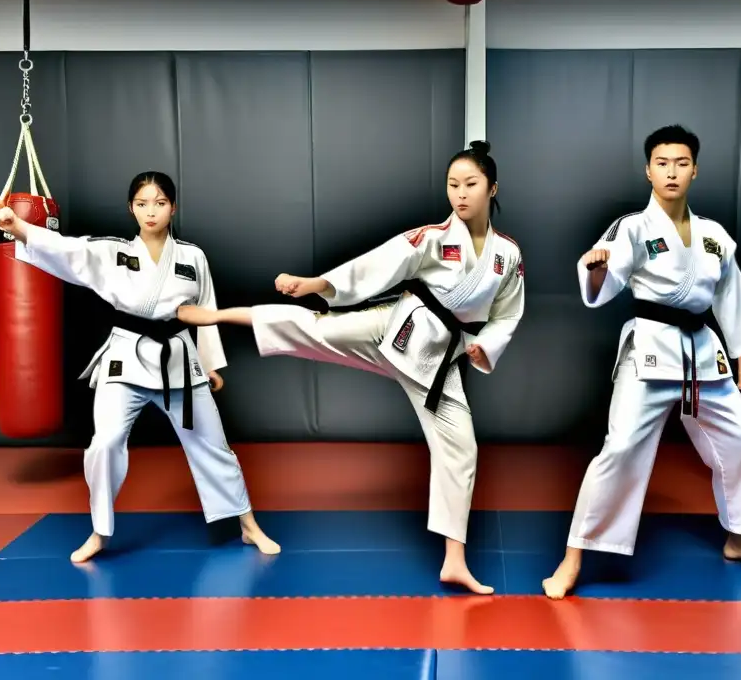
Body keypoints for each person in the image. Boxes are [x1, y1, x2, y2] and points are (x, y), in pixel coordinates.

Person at [178, 140, 525, 595]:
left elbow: (507, 314)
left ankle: (454, 561)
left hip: (438, 363)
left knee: (463, 451)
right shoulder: (433, 238)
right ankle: (221, 315)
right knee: (315, 328)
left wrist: (485, 346)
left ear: (492, 188)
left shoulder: (508, 255)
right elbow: (379, 264)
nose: (459, 194)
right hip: (392, 330)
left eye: (471, 185)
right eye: (452, 185)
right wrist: (320, 283)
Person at [542, 124, 741, 601]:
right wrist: (596, 272)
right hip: (651, 350)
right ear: (648, 171)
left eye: (681, 163)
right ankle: (573, 558)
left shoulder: (714, 236)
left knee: (740, 439)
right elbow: (604, 279)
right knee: (620, 450)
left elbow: (732, 298)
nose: (672, 171)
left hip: (701, 351)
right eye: (662, 163)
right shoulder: (633, 227)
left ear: (694, 170)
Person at [0, 172, 280, 564]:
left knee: (213, 445)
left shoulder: (192, 257)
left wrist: (210, 364)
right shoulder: (111, 251)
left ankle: (248, 525)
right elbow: (65, 249)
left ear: (172, 207)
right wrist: (19, 225)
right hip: (124, 359)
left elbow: (206, 308)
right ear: (131, 208)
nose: (151, 211)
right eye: (142, 203)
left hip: (177, 359)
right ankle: (99, 532)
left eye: (160, 202)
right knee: (105, 444)